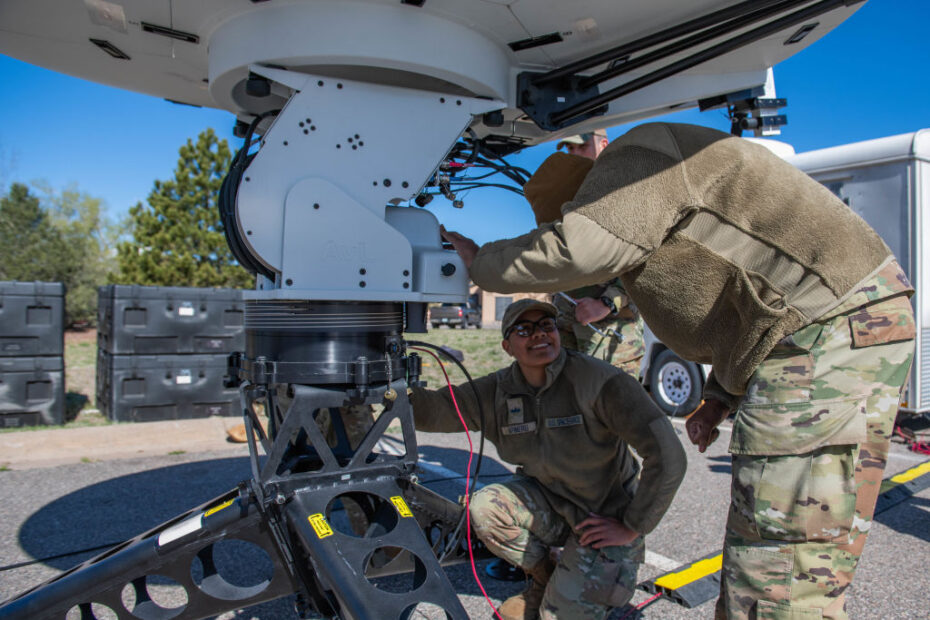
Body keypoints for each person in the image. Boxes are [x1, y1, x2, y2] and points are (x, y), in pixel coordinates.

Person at [440, 122, 916, 620]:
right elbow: (752, 307)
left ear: (585, 199)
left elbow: (579, 249)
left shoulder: (634, 161)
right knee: (810, 546)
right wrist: (720, 396)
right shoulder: (666, 198)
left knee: (779, 565)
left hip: (827, 329)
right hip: (835, 327)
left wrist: (479, 262)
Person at [410, 298, 686, 620]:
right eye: (524, 330)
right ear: (507, 346)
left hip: (602, 519)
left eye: (546, 325)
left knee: (556, 616)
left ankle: (601, 599)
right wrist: (393, 387)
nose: (539, 335)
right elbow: (438, 410)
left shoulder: (600, 381)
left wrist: (632, 526)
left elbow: (668, 456)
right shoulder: (499, 390)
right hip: (551, 508)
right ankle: (548, 578)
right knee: (486, 508)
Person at [531, 132, 645, 377]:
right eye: (569, 149)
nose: (574, 155)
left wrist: (606, 303)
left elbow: (641, 259)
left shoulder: (624, 193)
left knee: (610, 409)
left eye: (581, 147)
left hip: (610, 330)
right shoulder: (566, 199)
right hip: (566, 322)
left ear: (603, 145)